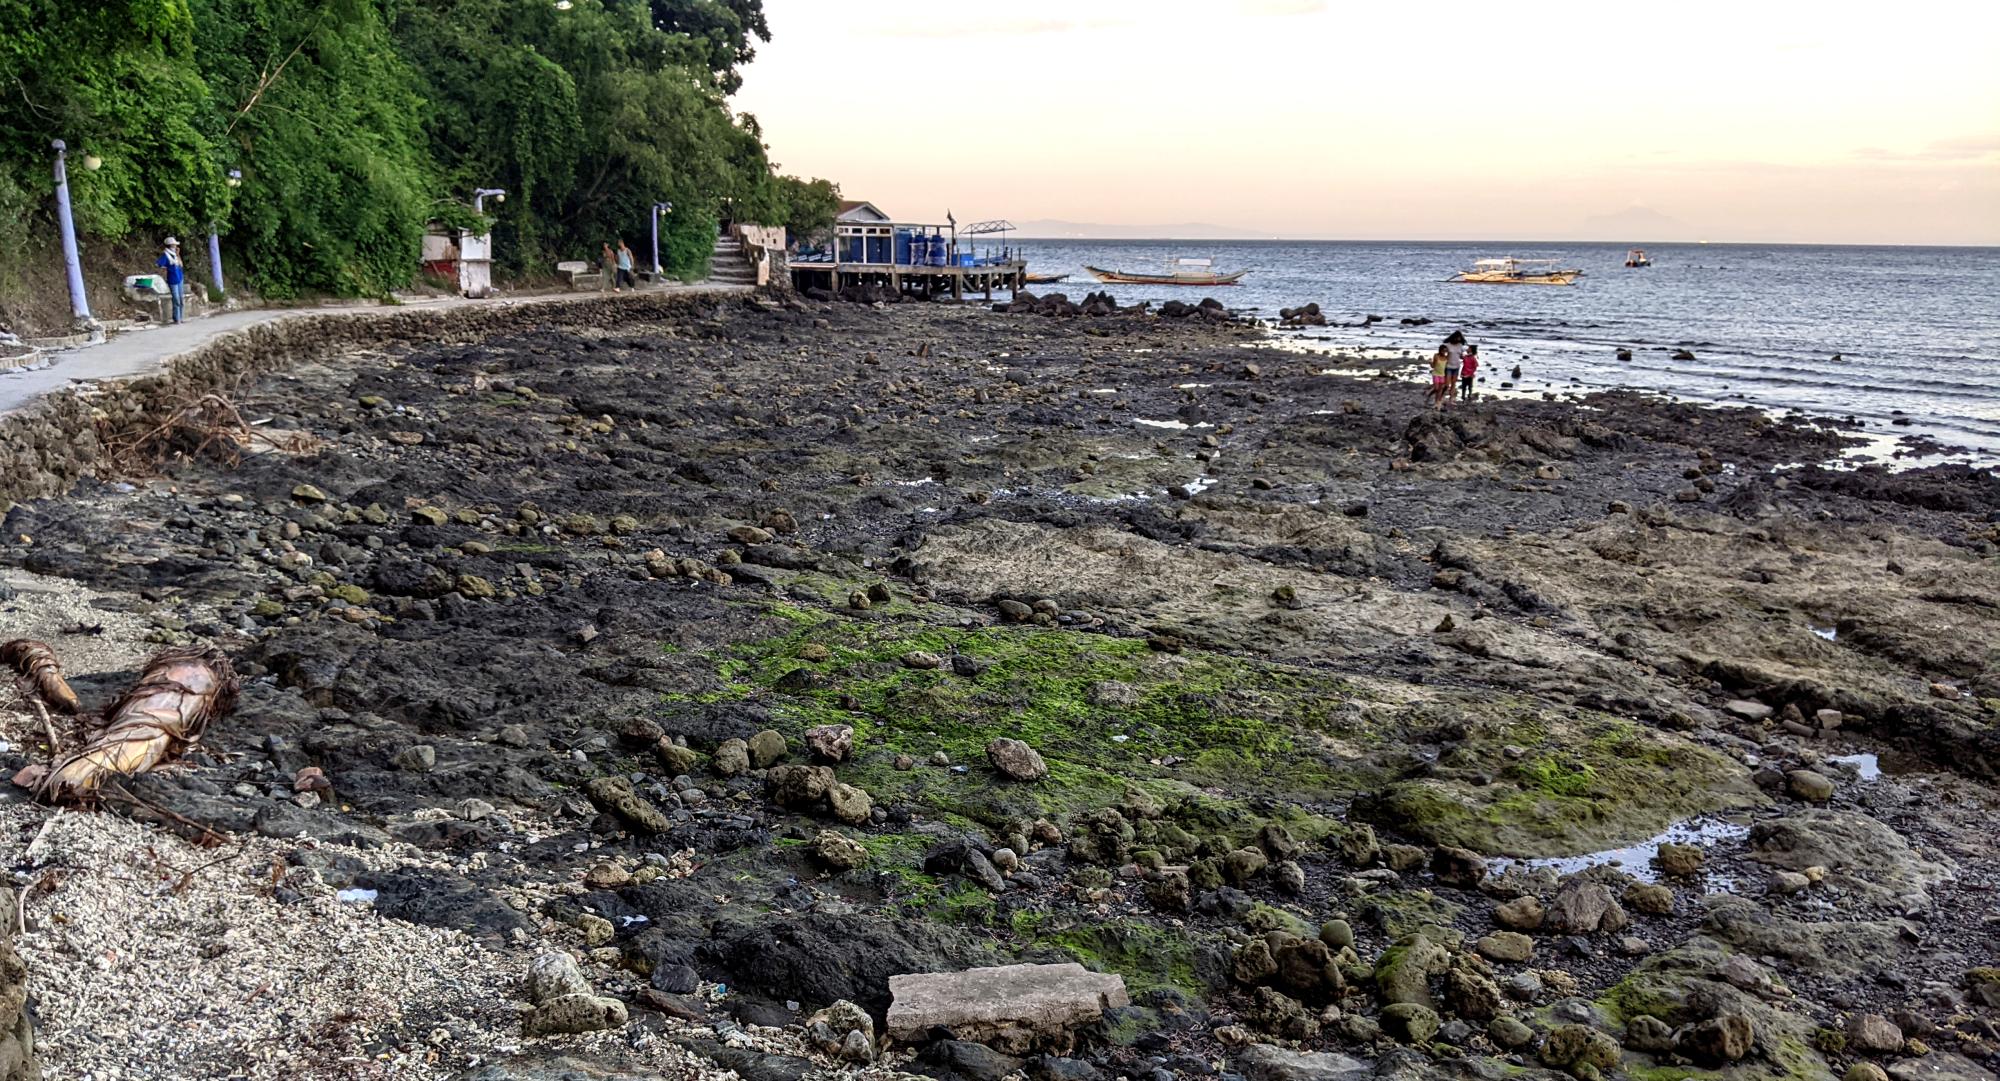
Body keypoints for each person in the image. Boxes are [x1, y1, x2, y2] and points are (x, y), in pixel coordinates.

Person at [157, 237, 186, 324]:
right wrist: (168, 268)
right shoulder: (166, 255)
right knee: (176, 299)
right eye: (174, 244)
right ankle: (176, 318)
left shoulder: (176, 255)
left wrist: (178, 254)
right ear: (171, 245)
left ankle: (180, 317)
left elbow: (181, 264)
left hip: (179, 277)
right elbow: (159, 264)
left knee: (180, 298)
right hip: (172, 279)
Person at [1440, 331, 1466, 409]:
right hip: (1448, 366)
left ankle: (1451, 400)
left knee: (1453, 384)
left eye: (1460, 338)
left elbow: (1461, 356)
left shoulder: (1460, 346)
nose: (1458, 339)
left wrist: (1465, 358)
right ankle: (1441, 397)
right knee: (1447, 384)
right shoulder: (1447, 345)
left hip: (1456, 367)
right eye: (1457, 337)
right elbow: (1443, 354)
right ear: (1454, 337)